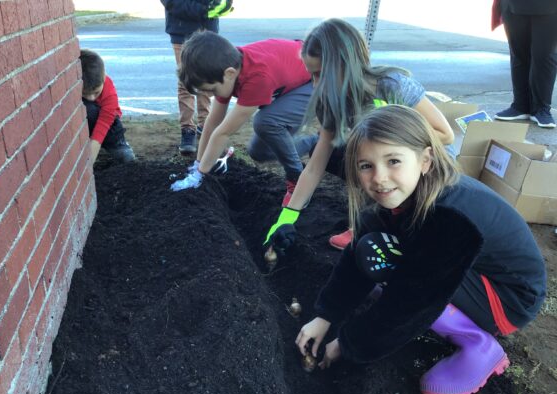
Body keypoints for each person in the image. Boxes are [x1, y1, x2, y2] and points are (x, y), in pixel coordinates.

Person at [295, 105, 546, 394]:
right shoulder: (403, 197)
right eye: (366, 166)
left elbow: (412, 302)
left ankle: (478, 344)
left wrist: (346, 345)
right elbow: (355, 256)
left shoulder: (451, 216)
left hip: (508, 299)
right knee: (373, 249)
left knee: (407, 278)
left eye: (393, 161)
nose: (379, 178)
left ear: (425, 160)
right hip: (473, 274)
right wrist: (324, 316)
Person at [263, 19, 454, 252]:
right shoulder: (331, 103)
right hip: (385, 165)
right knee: (342, 153)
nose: (315, 85)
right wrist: (287, 217)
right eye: (311, 76)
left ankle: (384, 223)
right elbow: (315, 167)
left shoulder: (391, 87)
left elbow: (445, 134)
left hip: (424, 170)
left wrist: (391, 144)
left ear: (346, 64)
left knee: (373, 161)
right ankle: (371, 218)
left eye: (320, 74)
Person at [170, 31, 318, 206]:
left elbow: (224, 133)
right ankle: (319, 143)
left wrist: (200, 174)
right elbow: (212, 123)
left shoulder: (256, 78)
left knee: (265, 121)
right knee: (259, 152)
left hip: (318, 80)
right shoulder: (224, 70)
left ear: (230, 74)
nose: (210, 96)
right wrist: (198, 165)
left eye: (212, 90)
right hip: (293, 82)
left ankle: (298, 179)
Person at [161, 0, 233, 155]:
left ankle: (205, 126)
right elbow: (171, 3)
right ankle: (188, 129)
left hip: (207, 30)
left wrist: (223, 5)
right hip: (182, 29)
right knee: (185, 79)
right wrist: (205, 9)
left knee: (207, 75)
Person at [492, 0, 557, 129]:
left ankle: (542, 108)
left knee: (544, 55)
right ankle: (520, 106)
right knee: (518, 55)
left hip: (551, 7)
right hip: (512, 5)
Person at [79, 49, 136, 165]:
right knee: (87, 109)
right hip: (87, 121)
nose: (91, 98)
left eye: (96, 92)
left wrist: (88, 167)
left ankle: (117, 144)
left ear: (104, 77)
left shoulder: (110, 94)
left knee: (127, 159)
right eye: (85, 93)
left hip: (109, 126)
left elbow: (102, 127)